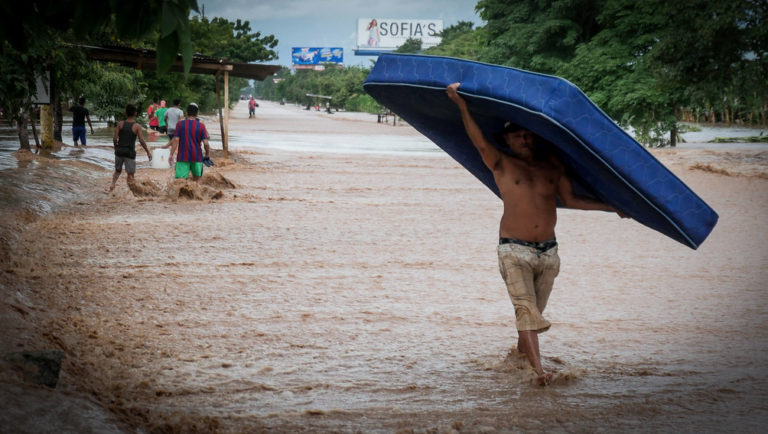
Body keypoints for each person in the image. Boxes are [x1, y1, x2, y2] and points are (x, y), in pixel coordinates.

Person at [446, 82, 627, 386]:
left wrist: (611, 207)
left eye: (527, 134)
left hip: (548, 252)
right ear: (507, 140)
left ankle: (518, 360)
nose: (524, 139)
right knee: (526, 312)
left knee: (531, 315)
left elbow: (570, 200)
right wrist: (461, 104)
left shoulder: (551, 165)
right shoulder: (501, 162)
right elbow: (477, 142)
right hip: (513, 250)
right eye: (516, 135)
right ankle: (539, 372)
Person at [108, 104, 152, 192]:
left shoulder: (120, 124)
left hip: (119, 151)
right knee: (130, 175)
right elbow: (141, 141)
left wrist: (116, 148)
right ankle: (133, 192)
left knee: (117, 171)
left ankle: (112, 184)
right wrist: (147, 151)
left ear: (125, 113)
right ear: (135, 113)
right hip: (129, 153)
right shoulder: (137, 126)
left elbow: (114, 139)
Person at [168, 102, 210, 180]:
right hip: (197, 157)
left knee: (180, 182)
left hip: (182, 157)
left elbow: (176, 140)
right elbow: (206, 143)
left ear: (186, 113)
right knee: (197, 181)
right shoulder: (201, 126)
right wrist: (207, 155)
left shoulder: (180, 124)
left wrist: (171, 154)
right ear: (197, 114)